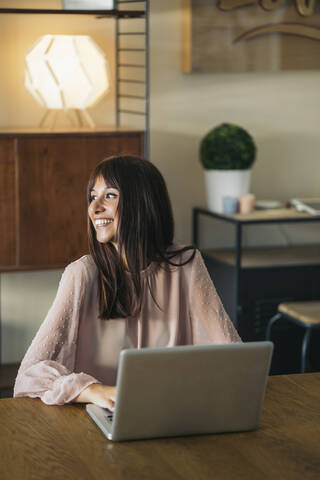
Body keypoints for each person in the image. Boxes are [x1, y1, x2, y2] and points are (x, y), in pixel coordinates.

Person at [14, 155, 241, 409]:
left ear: (142, 203)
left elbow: (233, 356)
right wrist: (92, 390)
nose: (94, 208)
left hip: (172, 411)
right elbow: (28, 377)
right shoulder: (81, 274)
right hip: (96, 419)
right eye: (92, 196)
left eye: (109, 195)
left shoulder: (187, 264)